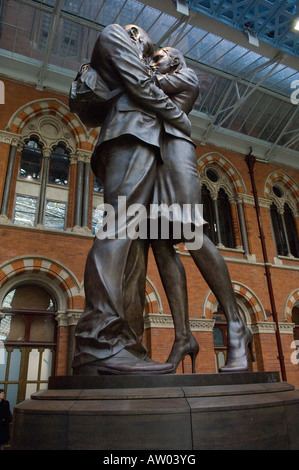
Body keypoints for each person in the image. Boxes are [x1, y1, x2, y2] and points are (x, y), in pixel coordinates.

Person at [72, 25, 193, 376]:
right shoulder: (114, 35)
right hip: (128, 137)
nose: (148, 53)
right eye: (146, 47)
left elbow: (144, 81)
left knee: (135, 251)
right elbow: (141, 85)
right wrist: (178, 118)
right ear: (134, 34)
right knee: (118, 231)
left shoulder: (140, 60)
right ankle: (100, 341)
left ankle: (127, 345)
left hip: (143, 143)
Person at [148, 47, 255, 373]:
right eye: (152, 58)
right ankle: (183, 336)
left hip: (177, 154)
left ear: (176, 59)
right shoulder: (159, 76)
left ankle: (236, 324)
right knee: (159, 241)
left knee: (191, 232)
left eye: (159, 56)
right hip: (153, 156)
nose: (154, 61)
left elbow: (146, 87)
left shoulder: (185, 76)